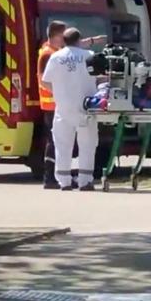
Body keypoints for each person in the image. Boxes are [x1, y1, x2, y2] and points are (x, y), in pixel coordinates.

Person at [40, 28, 98, 191]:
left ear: (64, 40)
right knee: (87, 144)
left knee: (62, 144)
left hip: (63, 108)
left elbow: (45, 81)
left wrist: (59, 92)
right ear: (79, 40)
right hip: (86, 107)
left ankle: (64, 181)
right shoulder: (90, 56)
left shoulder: (55, 57)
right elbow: (100, 77)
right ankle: (85, 181)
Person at [38, 21, 67, 189]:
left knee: (56, 141)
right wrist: (60, 93)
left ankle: (53, 177)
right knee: (54, 142)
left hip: (53, 104)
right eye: (63, 36)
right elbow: (43, 80)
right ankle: (49, 178)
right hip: (51, 105)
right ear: (56, 36)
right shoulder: (48, 54)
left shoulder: (52, 51)